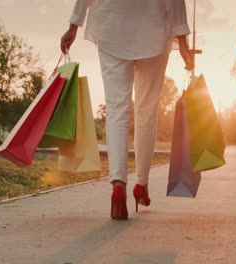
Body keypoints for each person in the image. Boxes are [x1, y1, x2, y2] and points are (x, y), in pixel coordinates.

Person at [61, 0, 194, 219]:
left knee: (116, 111)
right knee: (147, 113)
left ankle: (118, 185)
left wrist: (74, 25)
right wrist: (183, 42)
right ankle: (141, 184)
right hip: (154, 30)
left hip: (111, 26)